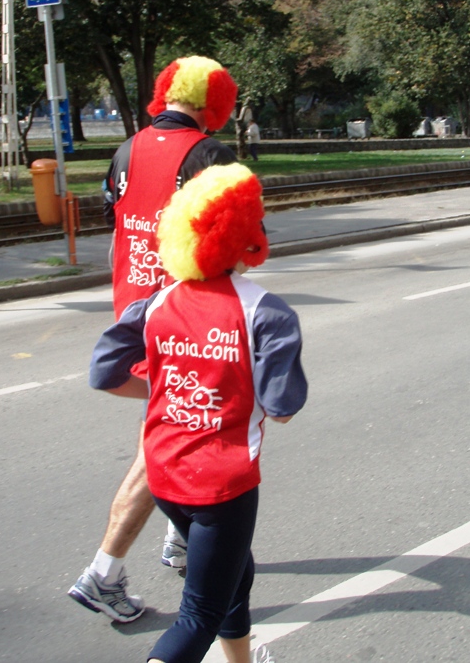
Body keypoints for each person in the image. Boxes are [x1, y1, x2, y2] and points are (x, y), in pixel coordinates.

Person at [88, 163, 307, 663]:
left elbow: (104, 374)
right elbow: (282, 408)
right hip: (222, 487)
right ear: (247, 238)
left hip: (164, 476)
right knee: (197, 618)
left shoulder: (158, 300)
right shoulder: (268, 312)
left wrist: (172, 392)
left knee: (237, 576)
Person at [69, 55, 239, 623]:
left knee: (179, 430)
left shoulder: (124, 150)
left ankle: (180, 540)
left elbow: (114, 225)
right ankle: (103, 573)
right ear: (216, 102)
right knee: (165, 442)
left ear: (165, 92)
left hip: (132, 311)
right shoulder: (211, 156)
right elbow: (231, 243)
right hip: (185, 322)